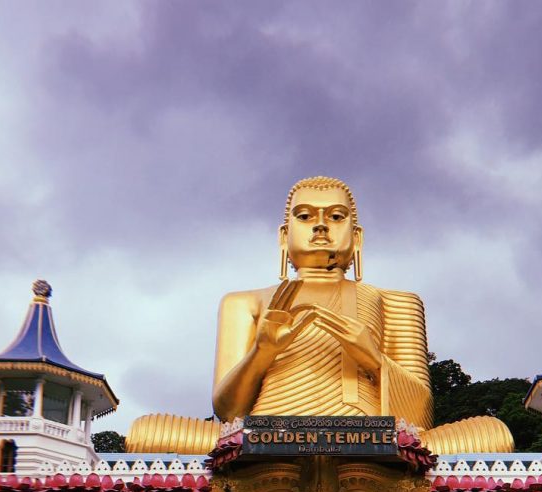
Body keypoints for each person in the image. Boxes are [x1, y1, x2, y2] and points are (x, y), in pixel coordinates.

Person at [126, 176, 512, 455]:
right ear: (284, 235)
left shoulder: (394, 301)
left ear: (356, 237)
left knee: (494, 434)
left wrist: (372, 359)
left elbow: (420, 417)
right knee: (146, 432)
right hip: (265, 434)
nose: (322, 226)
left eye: (337, 217)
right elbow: (228, 413)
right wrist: (262, 352)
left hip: (368, 434)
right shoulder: (245, 302)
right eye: (306, 216)